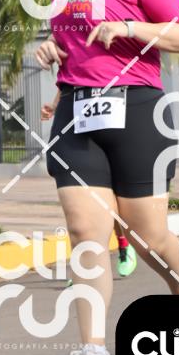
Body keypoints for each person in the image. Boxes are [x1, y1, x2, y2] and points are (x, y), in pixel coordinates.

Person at [35, 0, 179, 355]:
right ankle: (93, 353)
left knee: (149, 238)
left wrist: (129, 27)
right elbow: (73, 48)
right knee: (86, 233)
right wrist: (52, 55)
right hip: (77, 113)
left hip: (136, 110)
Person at [42, 93, 138, 280]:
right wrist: (55, 105)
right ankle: (84, 265)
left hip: (118, 124)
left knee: (113, 199)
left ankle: (123, 244)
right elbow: (69, 80)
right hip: (84, 129)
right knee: (81, 206)